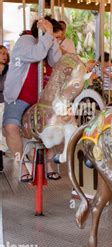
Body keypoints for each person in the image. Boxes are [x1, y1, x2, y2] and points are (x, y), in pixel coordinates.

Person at [3, 16, 63, 182]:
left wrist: (52, 42)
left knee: (57, 124)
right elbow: (37, 54)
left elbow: (57, 61)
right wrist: (48, 36)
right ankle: (20, 164)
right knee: (11, 126)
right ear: (44, 32)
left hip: (41, 98)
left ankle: (49, 162)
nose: (56, 41)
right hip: (20, 95)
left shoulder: (46, 43)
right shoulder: (25, 41)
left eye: (57, 38)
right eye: (55, 37)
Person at [0, 45, 10, 155]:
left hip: (6, 101)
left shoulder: (10, 69)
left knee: (5, 127)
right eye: (2, 53)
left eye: (5, 53)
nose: (4, 56)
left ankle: (3, 149)